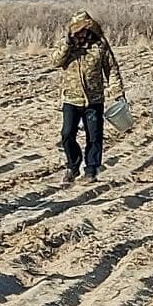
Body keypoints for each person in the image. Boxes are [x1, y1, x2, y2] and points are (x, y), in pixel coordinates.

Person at [50, 10, 124, 185]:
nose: (80, 33)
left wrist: (117, 91)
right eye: (76, 30)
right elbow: (55, 62)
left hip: (94, 99)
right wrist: (67, 45)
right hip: (71, 98)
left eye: (83, 29)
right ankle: (72, 166)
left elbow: (111, 68)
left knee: (94, 136)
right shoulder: (66, 45)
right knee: (67, 134)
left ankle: (91, 169)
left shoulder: (100, 45)